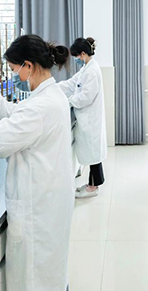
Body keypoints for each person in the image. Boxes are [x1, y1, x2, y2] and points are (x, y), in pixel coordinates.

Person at [0, 34, 75, 291]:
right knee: (49, 271)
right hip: (49, 200)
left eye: (14, 69)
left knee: (34, 277)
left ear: (28, 65)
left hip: (37, 207)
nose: (14, 75)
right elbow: (15, 116)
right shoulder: (50, 96)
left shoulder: (40, 107)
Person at [58, 37, 108, 199]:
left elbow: (87, 96)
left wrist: (69, 101)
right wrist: (52, 88)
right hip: (86, 118)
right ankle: (92, 184)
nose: (76, 59)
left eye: (77, 56)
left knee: (93, 155)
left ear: (83, 54)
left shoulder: (92, 71)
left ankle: (93, 187)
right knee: (93, 154)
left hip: (90, 119)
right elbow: (72, 83)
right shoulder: (86, 68)